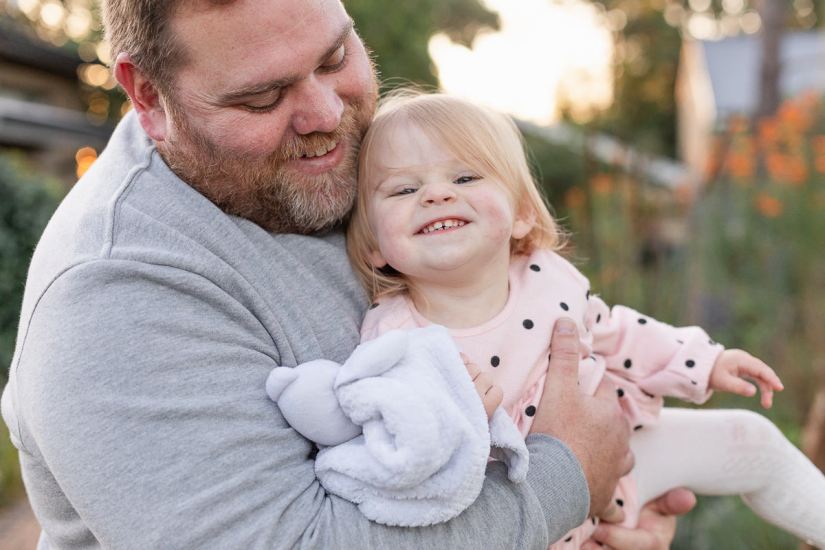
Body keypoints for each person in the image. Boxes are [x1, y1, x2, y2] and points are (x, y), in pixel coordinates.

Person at [0, 0, 688, 547]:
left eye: (334, 58)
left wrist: (605, 510)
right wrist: (564, 480)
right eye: (263, 97)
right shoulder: (115, 297)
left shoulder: (346, 163)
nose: (327, 116)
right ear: (148, 95)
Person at [344, 91, 825, 548]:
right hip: (511, 517)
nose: (436, 195)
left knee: (751, 439)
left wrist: (704, 361)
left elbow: (615, 333)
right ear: (373, 247)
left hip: (620, 458)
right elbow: (400, 454)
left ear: (522, 215)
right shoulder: (395, 339)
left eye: (465, 178)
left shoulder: (546, 280)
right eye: (405, 188)